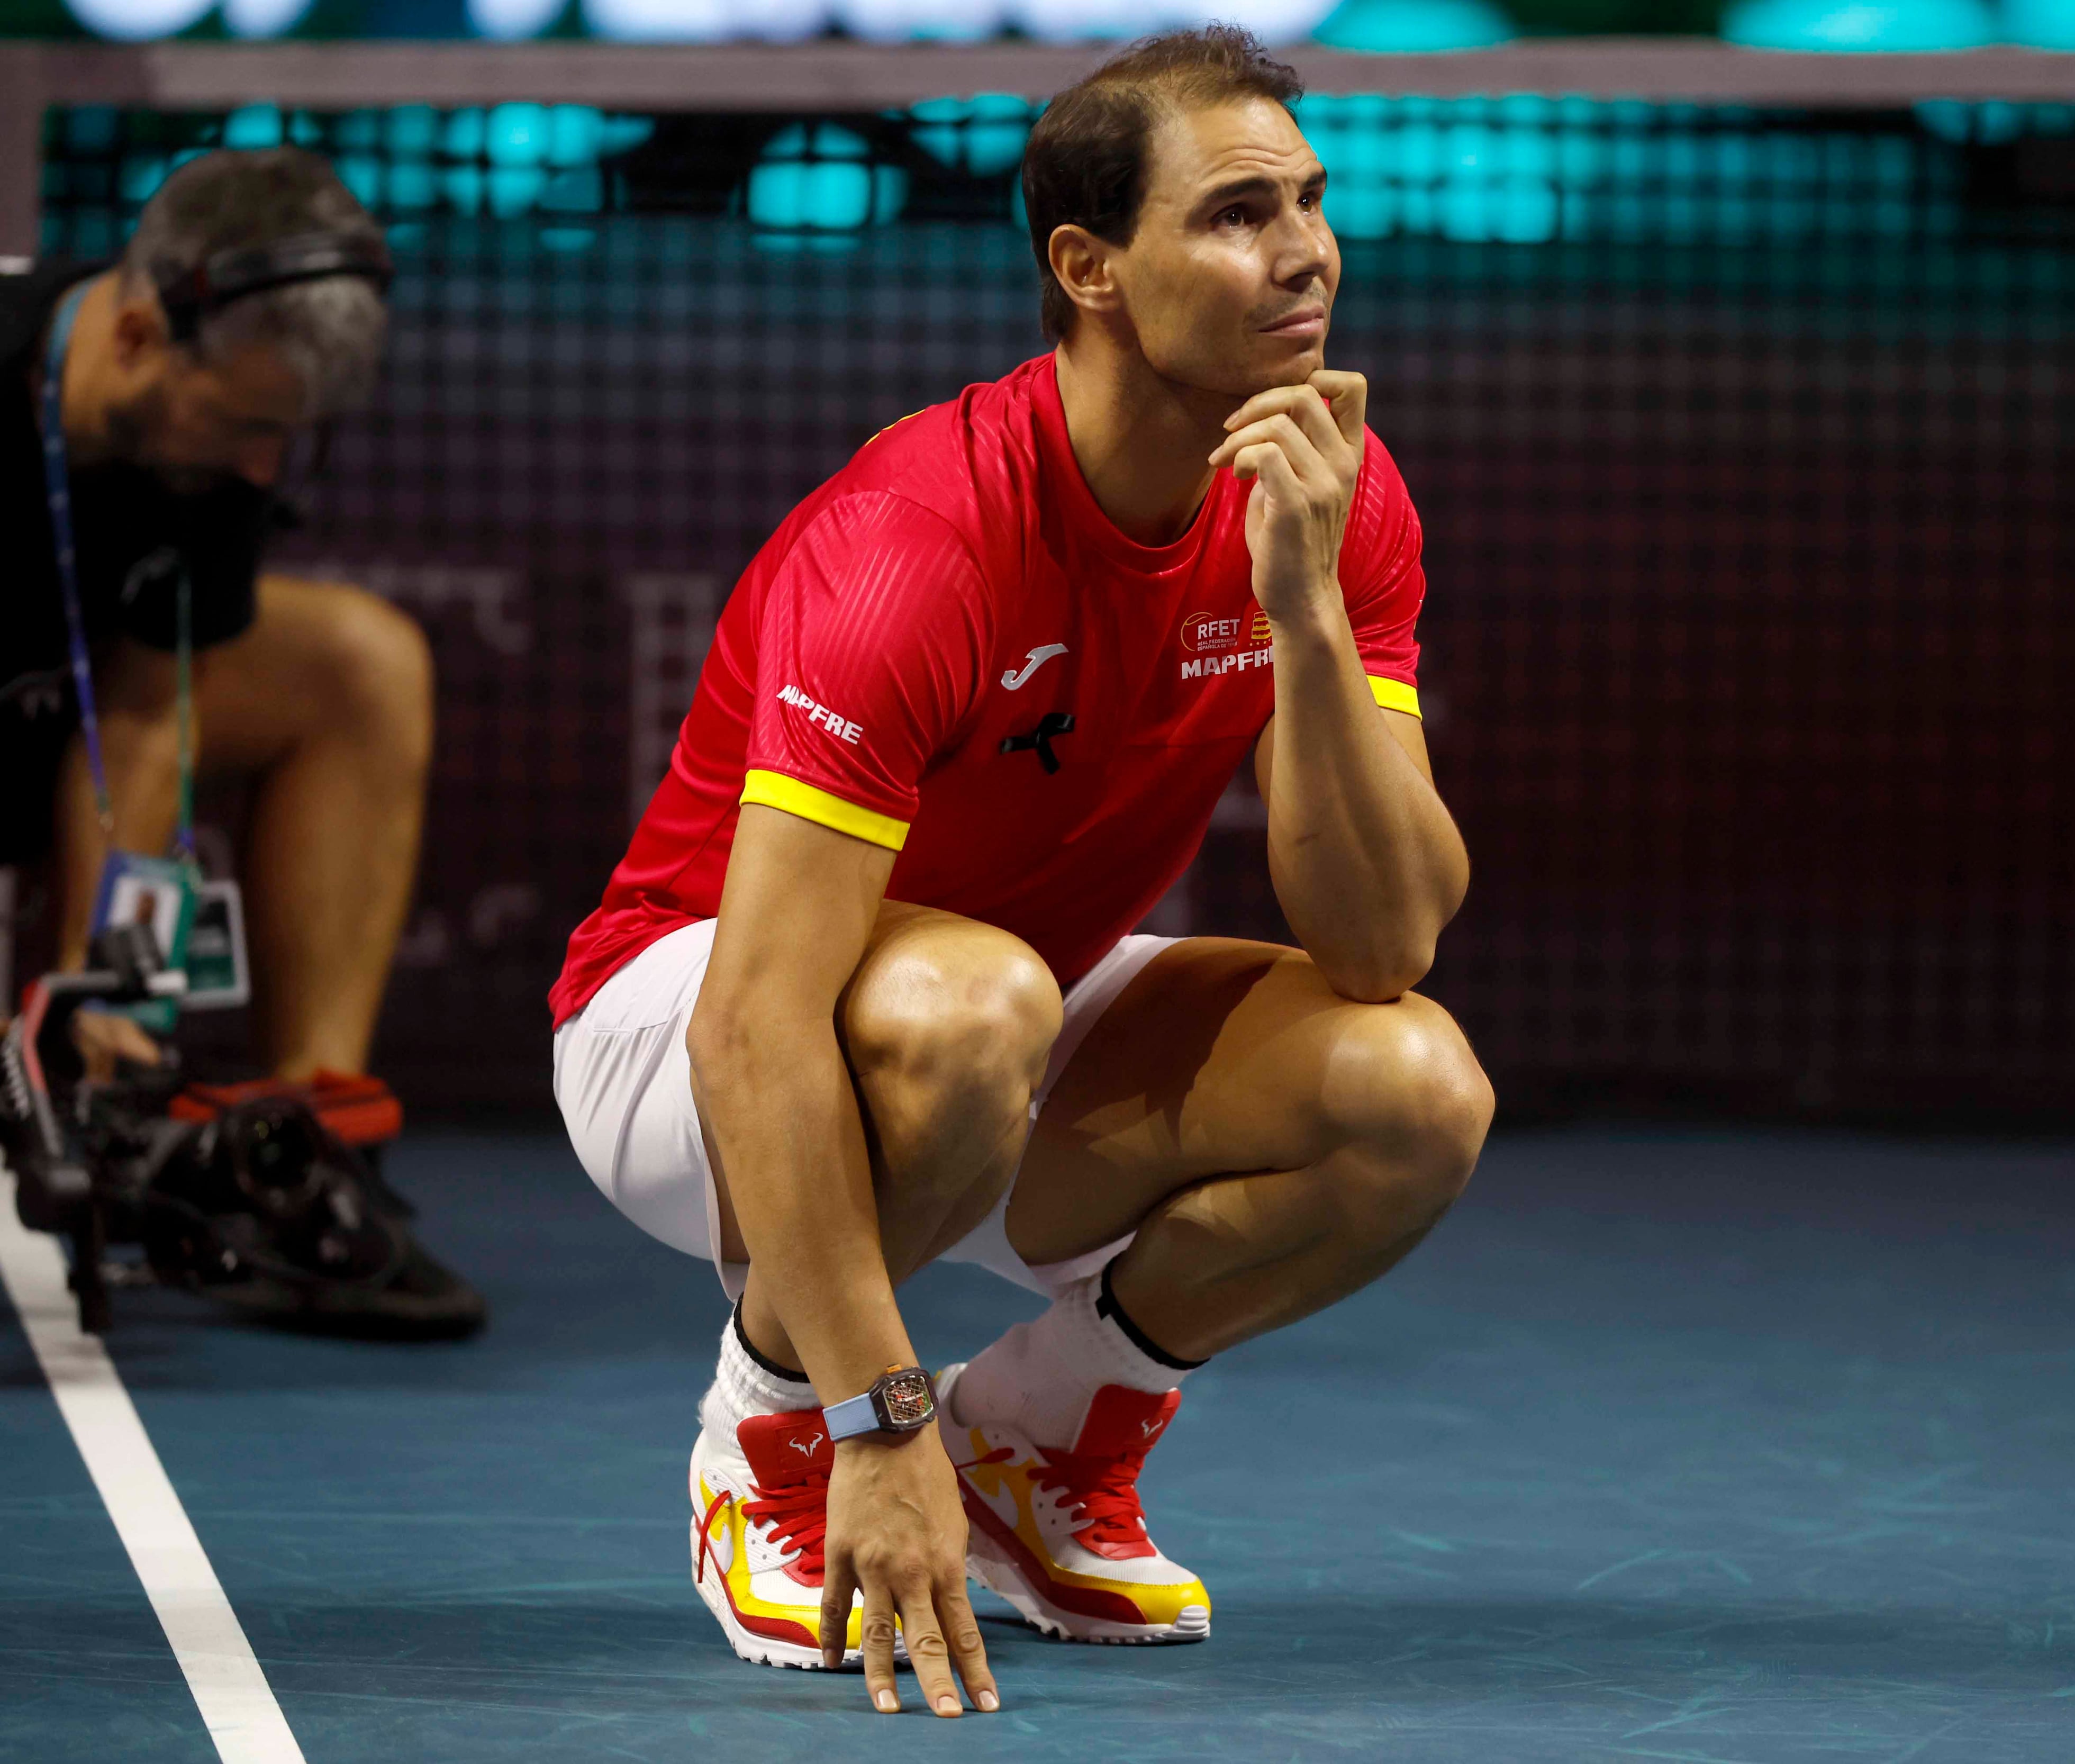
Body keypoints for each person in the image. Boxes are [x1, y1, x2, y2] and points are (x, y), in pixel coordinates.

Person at [550, 24, 1491, 1719]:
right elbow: (760, 1025)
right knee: (975, 995)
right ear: (1093, 268)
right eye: (1236, 212)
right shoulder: (923, 535)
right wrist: (868, 1416)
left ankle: (1038, 1443)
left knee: (1412, 1087)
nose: (1304, 250)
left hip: (988, 1019)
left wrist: (1303, 614)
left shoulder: (1336, 503)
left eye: (1310, 200)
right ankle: (761, 1437)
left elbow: (1387, 935)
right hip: (679, 1024)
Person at [1, 148, 481, 1334]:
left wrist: (103, 988)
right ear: (134, 338)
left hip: (61, 714)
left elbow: (154, 711)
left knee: (359, 663)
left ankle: (296, 1148)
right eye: (248, 425)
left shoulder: (213, 457)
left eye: (290, 435)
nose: (264, 468)